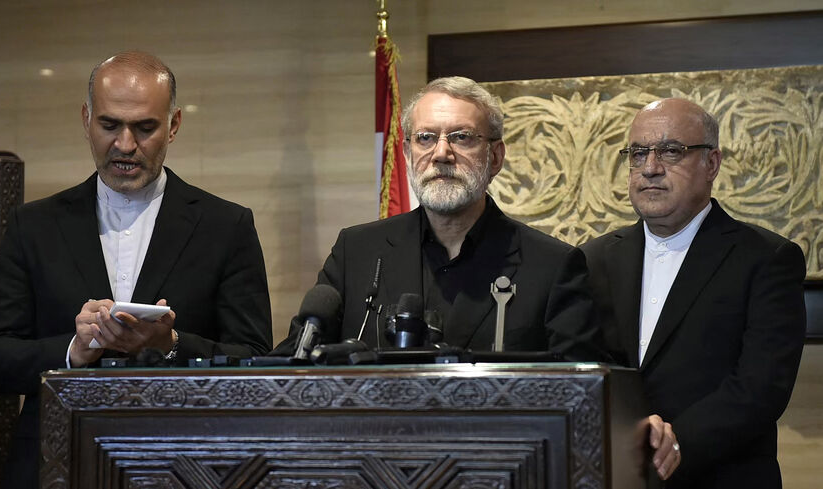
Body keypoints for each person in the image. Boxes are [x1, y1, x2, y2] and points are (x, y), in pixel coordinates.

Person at [0, 51, 272, 488]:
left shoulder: (226, 226)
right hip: (56, 464)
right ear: (86, 119)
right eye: (109, 125)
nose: (125, 145)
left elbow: (257, 362)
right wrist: (75, 350)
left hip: (183, 468)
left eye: (145, 128)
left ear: (174, 125)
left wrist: (170, 345)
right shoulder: (33, 225)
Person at [276, 76, 603, 361]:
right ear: (406, 154)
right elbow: (293, 360)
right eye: (426, 137)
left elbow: (582, 391)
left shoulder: (552, 266)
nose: (441, 153)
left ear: (496, 157)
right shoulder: (357, 252)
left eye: (462, 137)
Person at [581, 98, 806, 487]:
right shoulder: (591, 258)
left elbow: (761, 387)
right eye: (638, 153)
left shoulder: (767, 258)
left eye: (671, 151)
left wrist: (675, 443)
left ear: (712, 164)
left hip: (721, 476)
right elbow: (581, 366)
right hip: (615, 475)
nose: (650, 168)